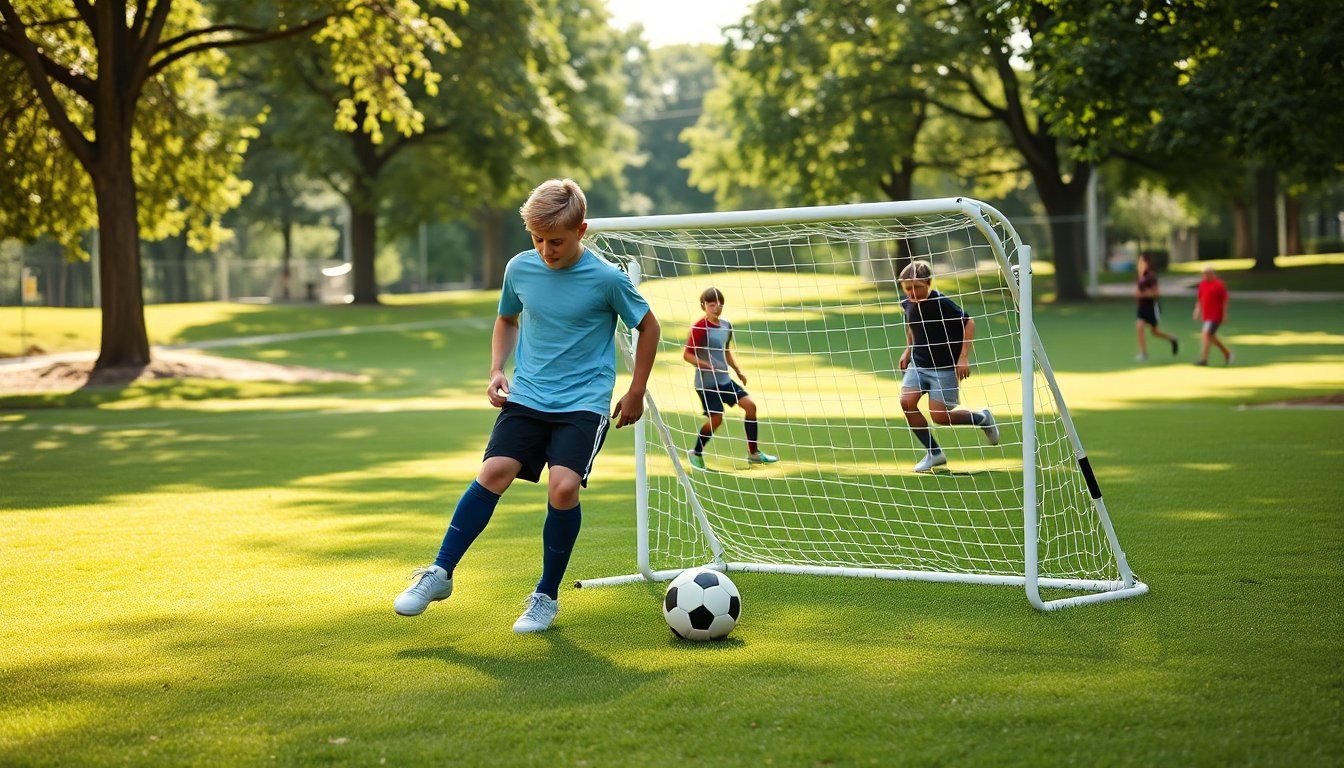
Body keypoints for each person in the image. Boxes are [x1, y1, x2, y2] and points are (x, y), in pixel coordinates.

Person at [392, 179, 660, 633]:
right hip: (530, 395)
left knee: (562, 487)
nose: (546, 250)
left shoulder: (608, 279)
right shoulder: (520, 268)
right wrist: (497, 369)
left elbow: (649, 327)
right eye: (537, 239)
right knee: (493, 472)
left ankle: (545, 598)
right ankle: (439, 573)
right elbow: (506, 318)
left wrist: (635, 390)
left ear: (582, 231)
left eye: (556, 241)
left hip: (583, 401)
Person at [897, 260, 999, 473]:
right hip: (919, 364)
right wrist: (908, 349)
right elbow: (911, 325)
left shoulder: (941, 302)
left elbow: (968, 322)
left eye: (917, 287)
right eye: (908, 288)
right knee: (907, 402)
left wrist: (963, 358)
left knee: (940, 417)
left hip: (944, 368)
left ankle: (981, 418)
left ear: (929, 283)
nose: (913, 292)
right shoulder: (906, 303)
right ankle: (934, 453)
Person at [683, 287, 780, 471]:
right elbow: (687, 355)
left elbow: (725, 351)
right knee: (716, 419)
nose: (716, 307)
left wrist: (737, 370)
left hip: (724, 380)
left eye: (719, 303)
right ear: (703, 306)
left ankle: (753, 454)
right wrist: (705, 365)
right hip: (706, 384)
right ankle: (695, 453)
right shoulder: (699, 327)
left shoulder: (726, 325)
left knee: (750, 406)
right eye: (711, 304)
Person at [1134, 252, 1179, 361]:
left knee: (1155, 332)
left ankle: (1172, 338)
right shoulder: (1140, 276)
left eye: (1142, 262)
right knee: (1139, 327)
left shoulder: (1151, 276)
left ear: (1147, 263)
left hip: (1152, 308)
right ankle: (1143, 354)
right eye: (1139, 261)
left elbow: (1157, 293)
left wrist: (1144, 294)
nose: (1140, 264)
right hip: (1141, 308)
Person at [1192, 264, 1233, 365]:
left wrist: (1225, 315)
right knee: (1210, 336)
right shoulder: (1202, 284)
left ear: (1212, 274)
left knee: (1205, 334)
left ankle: (1204, 360)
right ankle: (1227, 353)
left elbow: (1225, 300)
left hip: (1216, 315)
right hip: (1207, 314)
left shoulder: (1219, 284)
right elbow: (1200, 299)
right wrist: (1197, 311)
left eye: (1206, 274)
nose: (1204, 276)